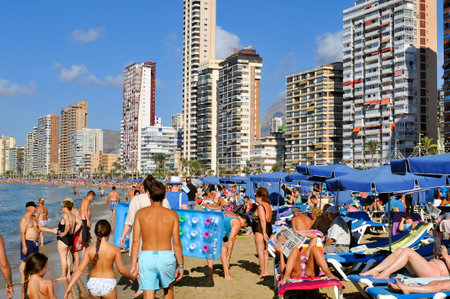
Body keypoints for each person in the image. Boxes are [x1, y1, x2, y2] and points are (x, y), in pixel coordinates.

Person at [130, 180, 184, 298]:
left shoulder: (140, 214)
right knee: (168, 290)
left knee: (148, 293)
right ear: (165, 195)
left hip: (146, 257)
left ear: (149, 195)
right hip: (166, 256)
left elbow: (135, 241)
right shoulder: (172, 215)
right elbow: (176, 243)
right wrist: (180, 265)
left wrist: (134, 264)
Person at [119, 175, 171, 298]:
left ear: (143, 187)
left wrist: (123, 235)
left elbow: (130, 221)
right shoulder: (164, 200)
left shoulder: (137, 200)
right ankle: (152, 285)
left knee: (139, 261)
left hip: (140, 233)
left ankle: (142, 287)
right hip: (158, 235)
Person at [64, 220, 135, 299]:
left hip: (93, 284)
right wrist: (132, 277)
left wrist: (69, 286)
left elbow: (80, 269)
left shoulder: (89, 250)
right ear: (109, 233)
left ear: (95, 233)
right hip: (109, 283)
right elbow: (121, 270)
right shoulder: (114, 249)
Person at [361, 245, 450, 279]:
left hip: (436, 273)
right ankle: (376, 270)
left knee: (408, 252)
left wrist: (445, 256)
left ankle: (386, 273)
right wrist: (437, 255)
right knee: (400, 250)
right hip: (430, 268)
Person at [20, 201, 57, 282]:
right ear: (29, 208)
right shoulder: (24, 219)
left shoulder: (35, 218)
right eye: (34, 207)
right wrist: (24, 246)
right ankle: (23, 280)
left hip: (35, 243)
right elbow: (22, 234)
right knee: (24, 261)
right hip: (28, 242)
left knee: (33, 261)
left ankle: (31, 278)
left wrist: (52, 230)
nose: (36, 209)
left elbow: (41, 228)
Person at [208, 211, 250, 280]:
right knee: (224, 249)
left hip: (209, 223)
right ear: (243, 220)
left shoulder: (232, 215)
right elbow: (231, 239)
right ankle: (227, 275)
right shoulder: (238, 222)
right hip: (214, 226)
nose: (240, 227)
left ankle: (210, 275)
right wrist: (229, 256)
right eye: (242, 226)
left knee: (211, 251)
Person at [55, 200, 79, 281]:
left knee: (63, 258)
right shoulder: (73, 215)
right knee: (68, 256)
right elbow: (80, 223)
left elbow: (67, 224)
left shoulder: (65, 215)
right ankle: (68, 274)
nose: (61, 208)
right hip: (70, 238)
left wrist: (65, 233)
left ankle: (63, 275)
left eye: (62, 206)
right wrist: (73, 231)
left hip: (63, 239)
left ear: (66, 207)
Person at [251, 187, 273, 277]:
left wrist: (263, 233)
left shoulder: (260, 206)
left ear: (259, 196)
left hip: (260, 229)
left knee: (260, 251)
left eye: (255, 196)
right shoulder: (268, 205)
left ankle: (262, 272)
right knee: (265, 251)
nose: (255, 198)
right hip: (268, 228)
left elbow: (262, 220)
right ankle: (266, 271)